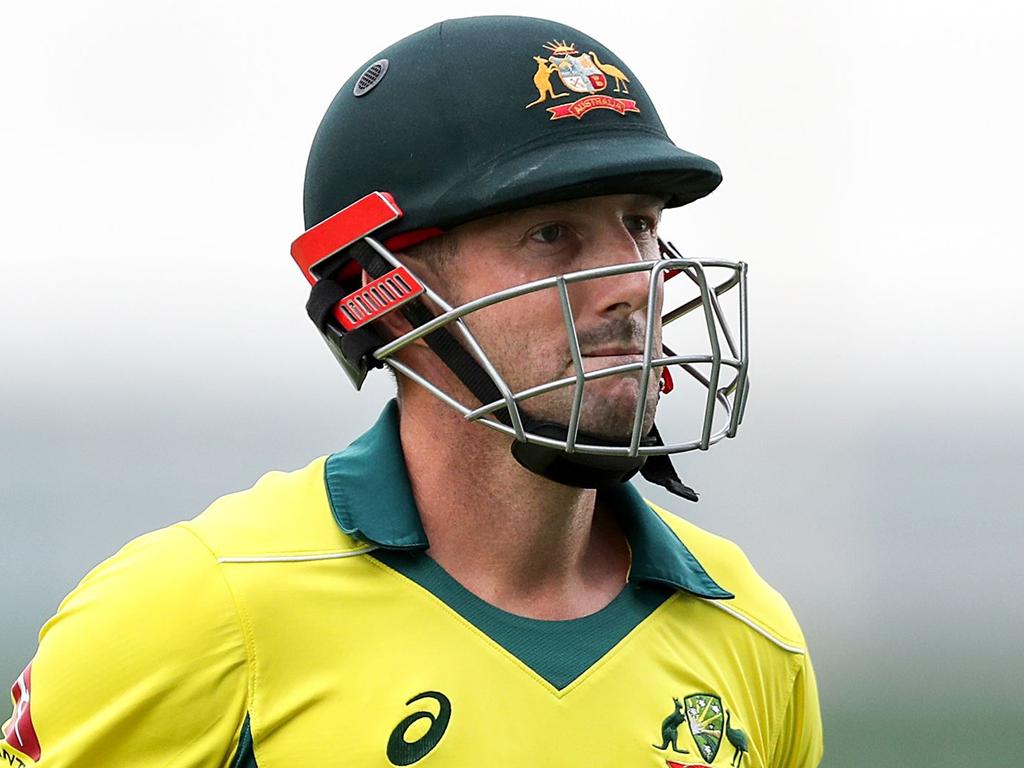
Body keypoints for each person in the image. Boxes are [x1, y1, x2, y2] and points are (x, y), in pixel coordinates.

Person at [1, 15, 823, 768]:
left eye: (639, 224)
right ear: (389, 290)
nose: (634, 283)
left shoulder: (751, 635)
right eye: (551, 234)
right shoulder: (193, 609)